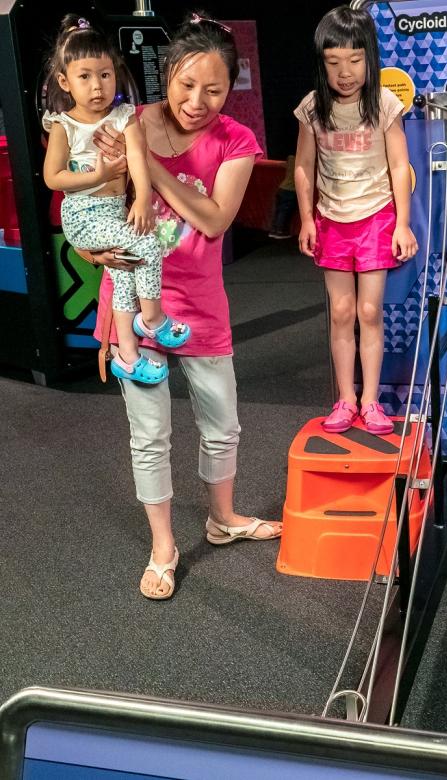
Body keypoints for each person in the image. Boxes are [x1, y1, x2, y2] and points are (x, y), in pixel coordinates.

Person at [78, 13, 282, 600]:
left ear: (230, 88)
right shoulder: (128, 121)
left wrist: (152, 170)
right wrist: (97, 283)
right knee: (150, 434)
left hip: (200, 303)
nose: (198, 101)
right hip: (131, 306)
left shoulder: (236, 142)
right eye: (187, 85)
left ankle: (223, 519)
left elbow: (215, 218)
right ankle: (163, 546)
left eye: (215, 89)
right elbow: (91, 206)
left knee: (222, 425)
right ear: (167, 76)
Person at [42, 15, 190, 385]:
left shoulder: (124, 117)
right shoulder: (64, 125)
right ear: (65, 81)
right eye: (85, 76)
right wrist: (99, 175)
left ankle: (127, 354)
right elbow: (52, 177)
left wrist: (141, 199)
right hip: (82, 215)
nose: (97, 86)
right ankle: (153, 320)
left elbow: (138, 158)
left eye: (105, 75)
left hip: (113, 212)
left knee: (124, 276)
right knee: (147, 245)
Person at [294, 5, 418, 436]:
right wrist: (307, 218)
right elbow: (304, 167)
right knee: (342, 311)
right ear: (322, 64)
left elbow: (400, 166)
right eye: (333, 63)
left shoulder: (384, 104)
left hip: (376, 219)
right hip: (332, 220)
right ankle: (346, 399)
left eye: (354, 60)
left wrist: (403, 223)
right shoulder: (312, 108)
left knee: (369, 310)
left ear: (370, 57)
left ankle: (371, 402)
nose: (344, 72)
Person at [268, 153, 298, 239]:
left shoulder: (290, 158)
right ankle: (280, 231)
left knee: (278, 211)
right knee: (284, 212)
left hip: (282, 188)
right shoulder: (301, 160)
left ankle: (273, 230)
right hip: (290, 190)